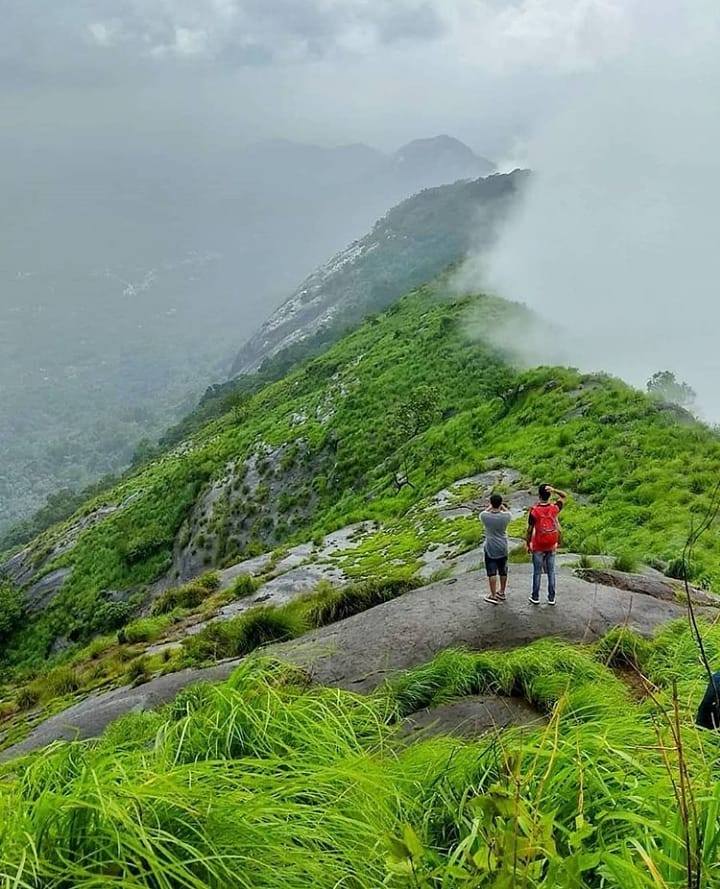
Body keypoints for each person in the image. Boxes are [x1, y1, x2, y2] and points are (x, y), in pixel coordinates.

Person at [526, 484, 567, 606]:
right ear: (549, 495)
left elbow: (529, 530)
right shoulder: (554, 508)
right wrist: (554, 490)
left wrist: (528, 544)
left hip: (538, 544)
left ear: (539, 496)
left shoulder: (534, 511)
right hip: (551, 544)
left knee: (537, 572)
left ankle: (535, 596)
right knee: (551, 571)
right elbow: (564, 496)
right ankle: (551, 598)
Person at [480, 493, 512, 604]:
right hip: (502, 545)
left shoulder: (484, 516)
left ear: (491, 503)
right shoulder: (506, 516)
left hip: (490, 546)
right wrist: (502, 506)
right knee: (503, 570)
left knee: (491, 571)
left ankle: (493, 595)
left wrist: (491, 506)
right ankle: (502, 592)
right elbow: (507, 511)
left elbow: (486, 510)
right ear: (500, 503)